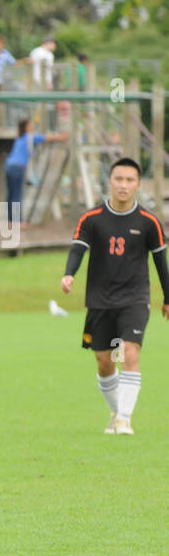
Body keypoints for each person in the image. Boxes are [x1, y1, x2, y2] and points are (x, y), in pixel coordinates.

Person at [61, 158, 169, 435]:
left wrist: (167, 297)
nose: (123, 185)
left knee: (129, 353)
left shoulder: (149, 223)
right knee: (104, 361)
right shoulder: (91, 218)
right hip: (99, 300)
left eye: (129, 180)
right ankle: (115, 411)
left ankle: (124, 419)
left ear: (137, 185)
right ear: (110, 181)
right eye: (118, 179)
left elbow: (161, 264)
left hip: (134, 298)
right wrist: (69, 273)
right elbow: (77, 249)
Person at [5, 119, 69, 225]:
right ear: (26, 127)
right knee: (17, 195)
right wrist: (64, 136)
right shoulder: (30, 136)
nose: (32, 127)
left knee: (11, 194)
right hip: (18, 167)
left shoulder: (19, 138)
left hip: (9, 166)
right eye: (31, 125)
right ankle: (19, 221)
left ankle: (10, 219)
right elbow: (49, 138)